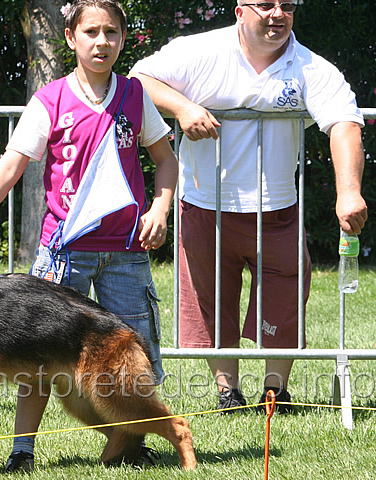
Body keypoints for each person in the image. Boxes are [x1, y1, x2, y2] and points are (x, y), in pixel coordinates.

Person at [0, 0, 178, 471]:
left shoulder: (136, 96)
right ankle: (22, 452)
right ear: (71, 38)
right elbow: (11, 165)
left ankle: (129, 444)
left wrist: (161, 206)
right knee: (38, 361)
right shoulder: (49, 100)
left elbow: (166, 158)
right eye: (91, 32)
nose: (102, 42)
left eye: (111, 32)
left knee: (136, 352)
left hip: (127, 252)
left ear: (122, 38)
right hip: (61, 254)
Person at [130, 1, 367, 413]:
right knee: (210, 304)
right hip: (203, 206)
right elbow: (138, 79)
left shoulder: (311, 67)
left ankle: (277, 392)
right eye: (266, 5)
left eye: (287, 7)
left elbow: (345, 123)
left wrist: (349, 192)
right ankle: (228, 393)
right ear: (241, 11)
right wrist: (183, 107)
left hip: (278, 211)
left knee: (285, 302)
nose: (277, 14)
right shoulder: (200, 51)